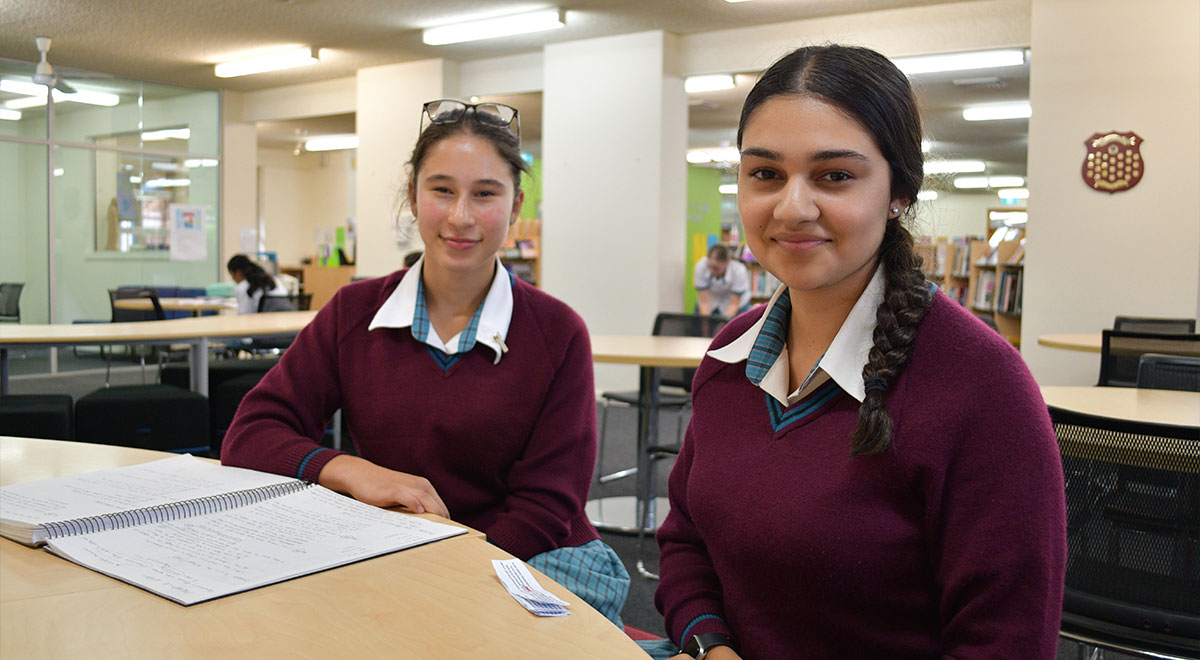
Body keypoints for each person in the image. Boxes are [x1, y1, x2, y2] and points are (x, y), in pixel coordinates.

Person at [652, 45, 1065, 660]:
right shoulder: (730, 358)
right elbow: (685, 543)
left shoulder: (982, 386)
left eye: (834, 176)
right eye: (764, 173)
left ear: (898, 190)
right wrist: (711, 647)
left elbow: (1003, 640)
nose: (793, 207)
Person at [221, 99, 628, 625]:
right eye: (442, 190)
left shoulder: (556, 332)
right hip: (395, 551)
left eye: (485, 194)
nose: (461, 216)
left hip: (521, 557)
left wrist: (452, 569)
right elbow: (251, 433)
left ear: (516, 204)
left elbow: (548, 504)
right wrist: (348, 469)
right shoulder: (353, 312)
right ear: (413, 196)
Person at [693, 244, 750, 318]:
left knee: (736, 327)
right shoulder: (701, 266)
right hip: (712, 299)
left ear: (727, 262)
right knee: (698, 325)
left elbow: (733, 305)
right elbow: (704, 303)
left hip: (737, 304)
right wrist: (705, 329)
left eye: (716, 268)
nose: (711, 271)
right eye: (709, 266)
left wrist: (723, 326)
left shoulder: (739, 270)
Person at [226, 254, 291, 313]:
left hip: (264, 323)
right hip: (288, 321)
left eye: (232, 275)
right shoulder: (275, 280)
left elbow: (244, 315)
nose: (232, 279)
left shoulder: (243, 287)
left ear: (238, 273)